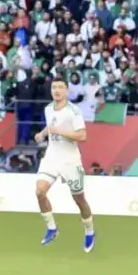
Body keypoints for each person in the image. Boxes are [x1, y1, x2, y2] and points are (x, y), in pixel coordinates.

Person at [33, 76, 96, 253]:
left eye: (60, 87)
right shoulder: (48, 109)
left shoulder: (73, 111)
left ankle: (90, 230)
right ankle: (52, 228)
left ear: (67, 90)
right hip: (52, 157)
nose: (57, 90)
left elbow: (83, 136)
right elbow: (50, 126)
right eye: (54, 87)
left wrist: (60, 131)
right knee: (39, 191)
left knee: (79, 199)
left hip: (70, 160)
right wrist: (42, 134)